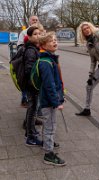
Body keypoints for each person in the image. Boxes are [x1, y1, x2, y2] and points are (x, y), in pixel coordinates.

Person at [38, 32, 66, 166]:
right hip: (48, 102)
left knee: (49, 125)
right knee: (50, 126)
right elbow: (49, 85)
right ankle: (48, 154)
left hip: (49, 100)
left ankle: (47, 145)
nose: (55, 42)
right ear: (43, 45)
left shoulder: (50, 59)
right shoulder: (46, 62)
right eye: (51, 41)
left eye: (55, 40)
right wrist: (56, 102)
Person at [24, 26, 42, 146]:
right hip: (32, 86)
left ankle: (30, 131)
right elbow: (29, 70)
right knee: (32, 110)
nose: (38, 36)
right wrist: (36, 83)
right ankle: (30, 137)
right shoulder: (31, 50)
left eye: (39, 34)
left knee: (32, 109)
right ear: (29, 37)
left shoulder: (34, 48)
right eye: (35, 34)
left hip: (32, 85)